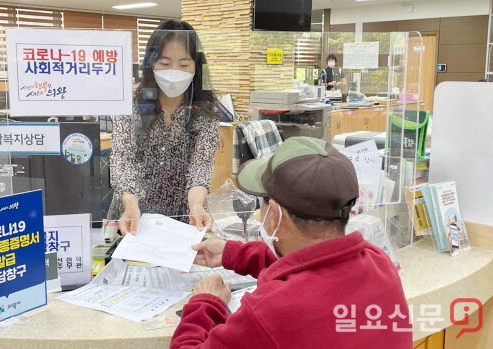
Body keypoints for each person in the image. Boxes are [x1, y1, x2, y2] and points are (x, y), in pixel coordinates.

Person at [170, 137, 412, 348]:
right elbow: (313, 265)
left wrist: (206, 302)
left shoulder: (270, 311)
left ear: (274, 214)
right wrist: (234, 253)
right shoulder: (378, 262)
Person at [108, 20, 219, 235]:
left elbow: (201, 166)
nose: (174, 72)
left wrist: (196, 204)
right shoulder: (129, 100)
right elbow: (123, 157)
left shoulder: (204, 107)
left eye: (184, 65)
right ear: (151, 64)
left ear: (196, 66)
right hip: (131, 216)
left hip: (183, 216)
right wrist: (130, 202)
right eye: (165, 63)